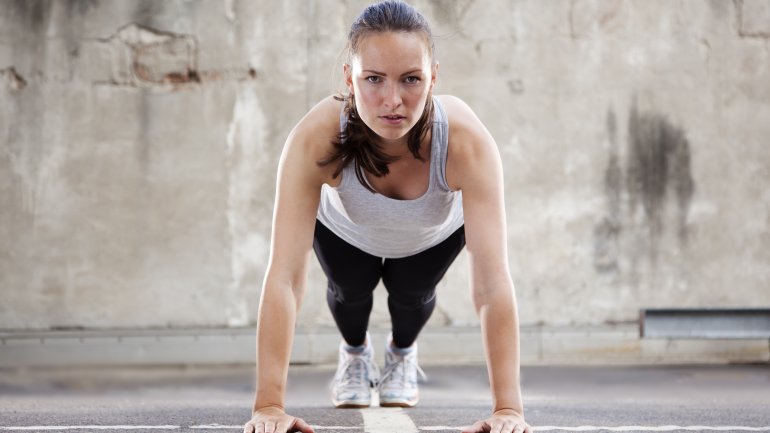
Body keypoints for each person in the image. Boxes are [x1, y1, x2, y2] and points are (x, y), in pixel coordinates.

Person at [243, 1, 530, 433]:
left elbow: (491, 284)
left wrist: (508, 410)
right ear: (349, 78)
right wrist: (268, 406)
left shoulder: (466, 142)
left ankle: (400, 354)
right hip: (347, 230)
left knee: (410, 299)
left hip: (429, 234)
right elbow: (284, 277)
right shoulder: (316, 137)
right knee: (350, 294)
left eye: (411, 79)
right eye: (373, 79)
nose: (392, 100)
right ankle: (355, 355)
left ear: (433, 76)